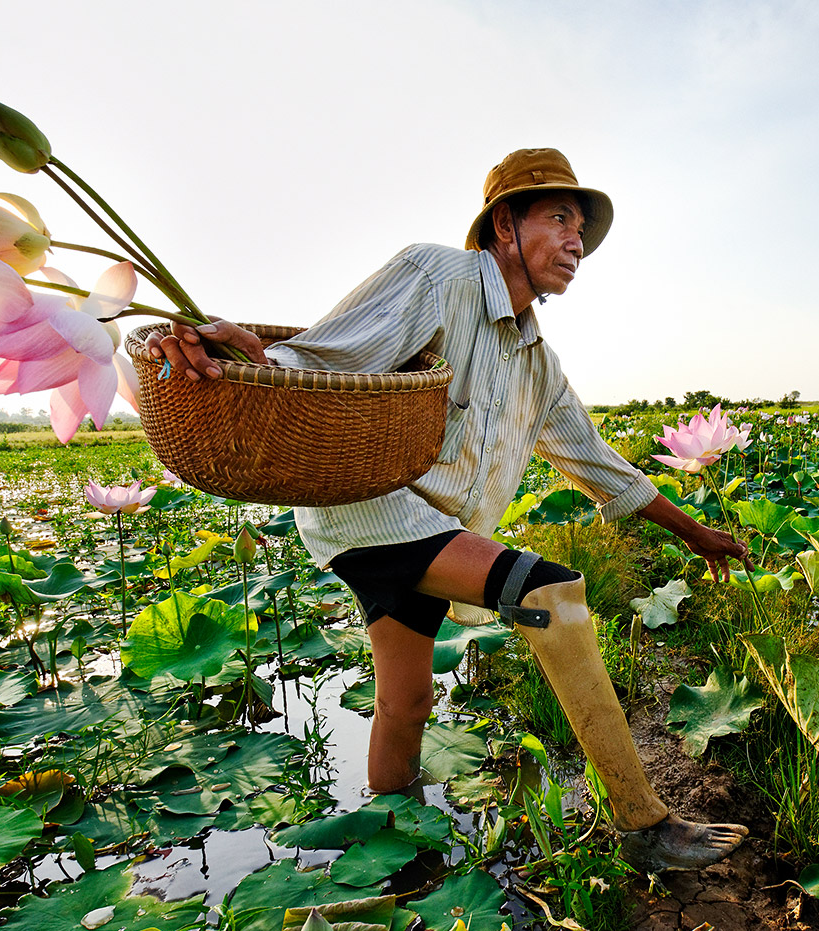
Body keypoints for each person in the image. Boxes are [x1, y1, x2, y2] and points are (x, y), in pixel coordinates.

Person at [146, 148, 749, 870]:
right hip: (370, 511)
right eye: (559, 219)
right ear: (503, 225)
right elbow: (331, 358)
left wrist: (696, 534)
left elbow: (602, 466)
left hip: (429, 531)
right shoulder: (440, 276)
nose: (576, 243)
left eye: (581, 230)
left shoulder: (537, 362)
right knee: (551, 592)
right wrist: (249, 359)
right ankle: (643, 824)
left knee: (406, 705)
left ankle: (398, 856)